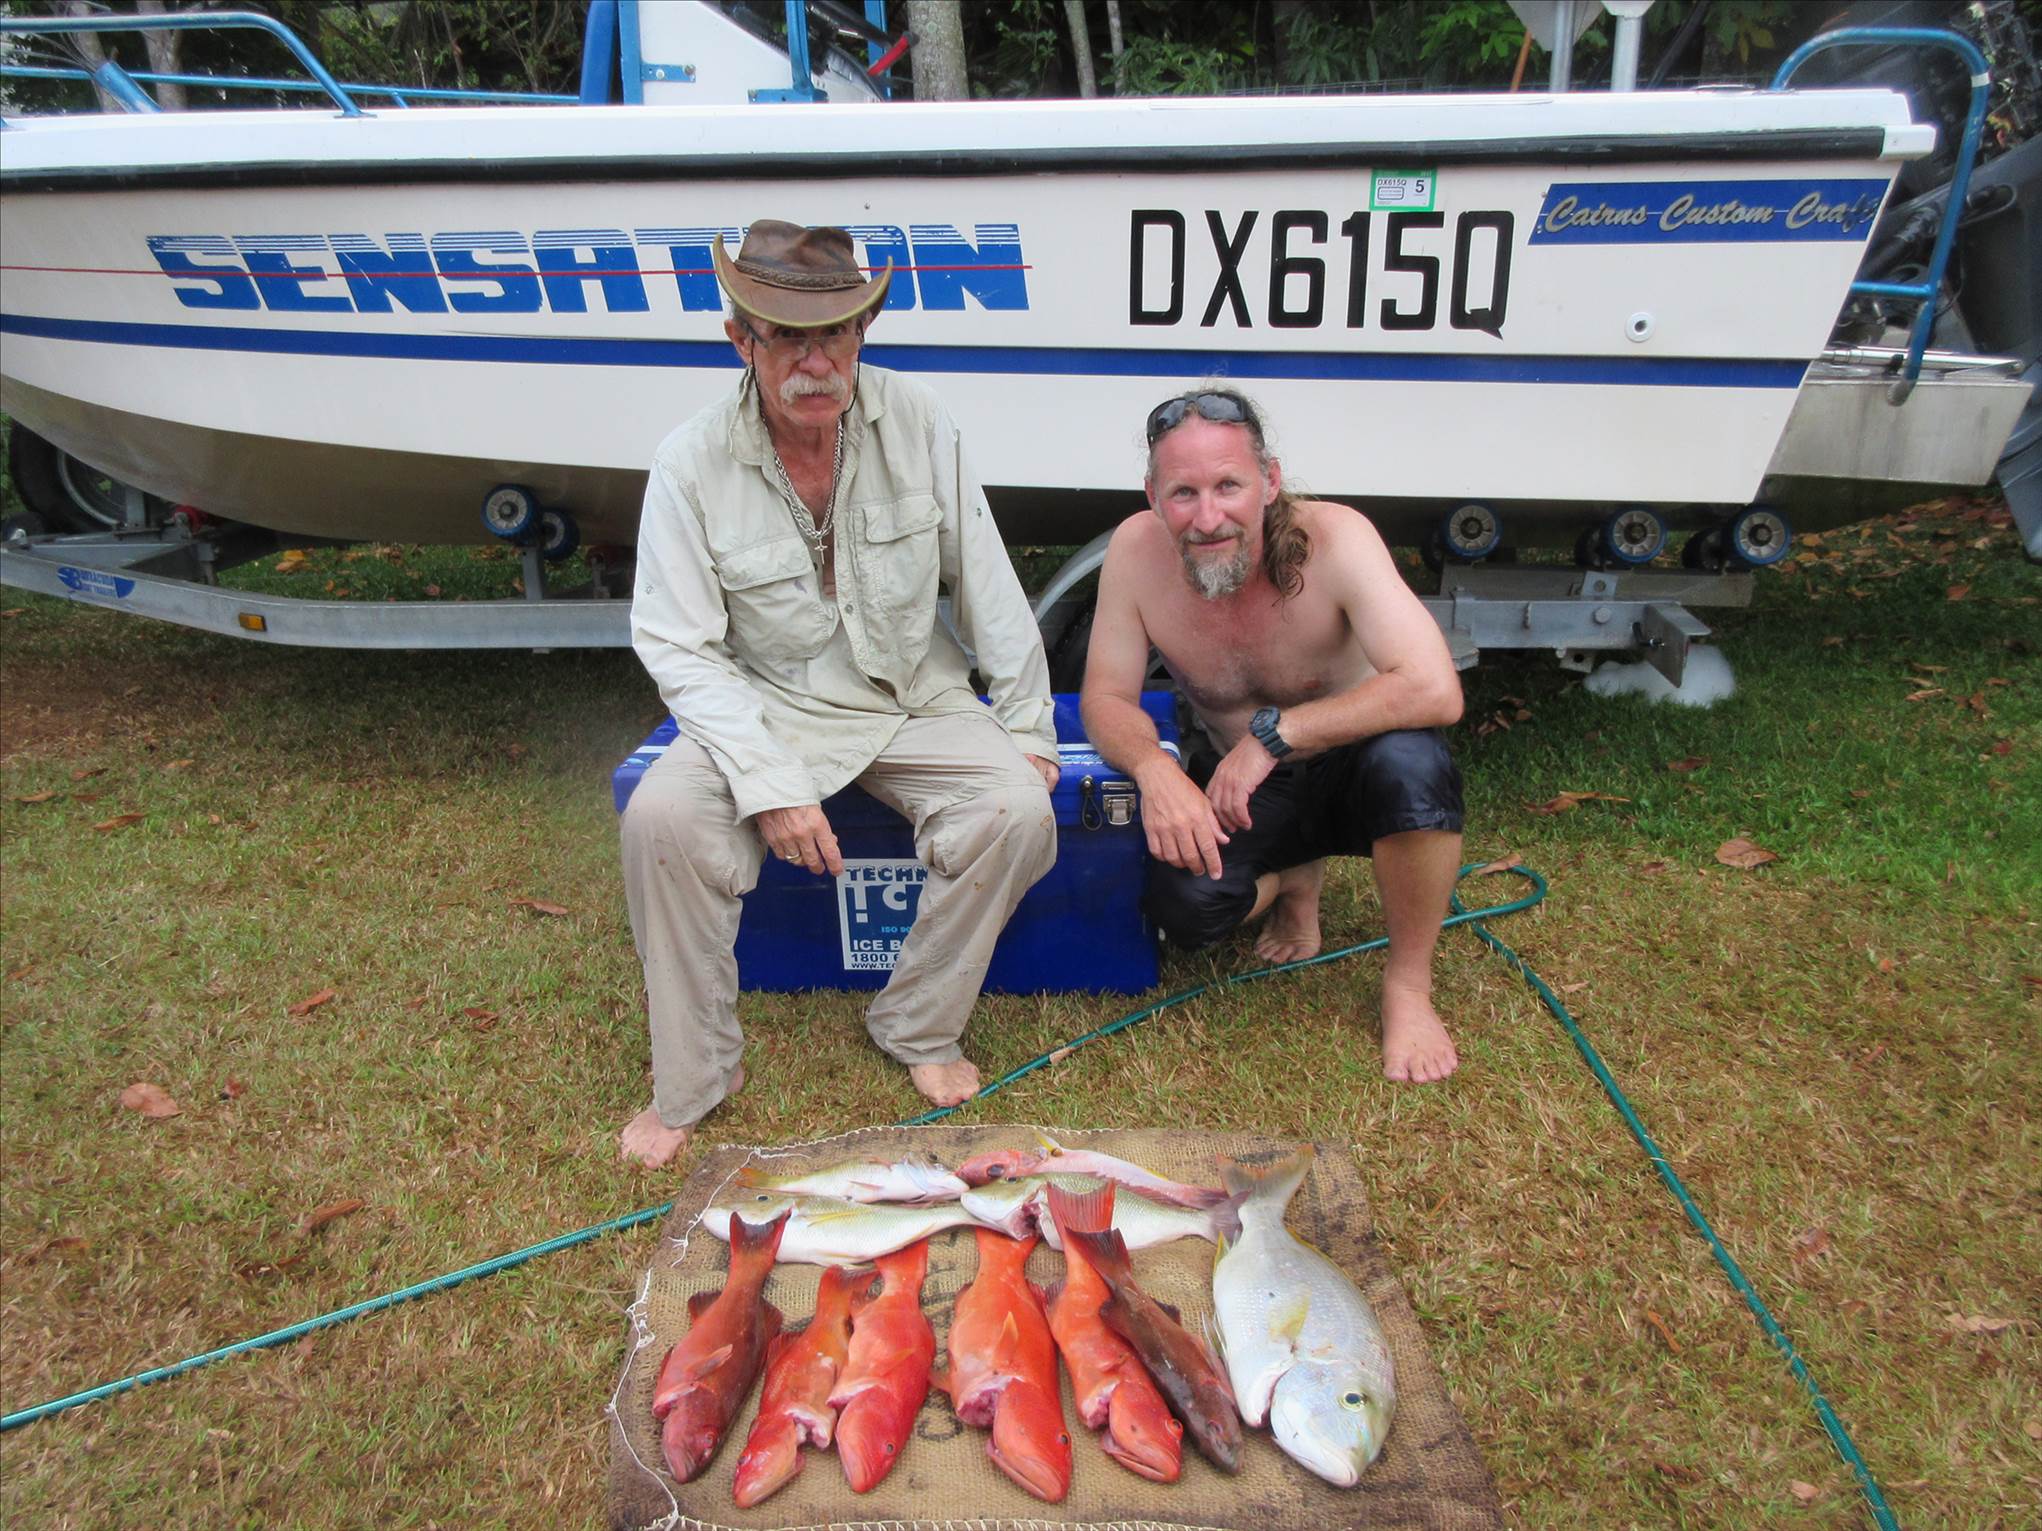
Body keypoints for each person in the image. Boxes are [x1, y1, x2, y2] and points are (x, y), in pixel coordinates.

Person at [618, 220, 1061, 1168]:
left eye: (836, 334)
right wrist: (770, 782)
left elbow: (986, 582)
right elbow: (679, 647)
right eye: (788, 337)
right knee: (660, 817)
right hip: (765, 701)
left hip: (910, 693)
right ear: (741, 341)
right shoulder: (688, 460)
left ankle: (918, 1022)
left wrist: (1029, 725)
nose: (816, 361)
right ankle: (695, 1074)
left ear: (862, 333)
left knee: (1020, 807)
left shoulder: (920, 418)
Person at [1080, 389, 1466, 1083]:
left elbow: (1435, 687)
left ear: (1270, 481)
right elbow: (1105, 697)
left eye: (1228, 486)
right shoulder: (1134, 554)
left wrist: (1275, 735)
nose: (1208, 517)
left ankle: (1408, 986)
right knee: (1184, 911)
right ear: (1153, 496)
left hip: (1355, 767)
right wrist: (1155, 770)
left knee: (1414, 765)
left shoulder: (1338, 538)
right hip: (1250, 793)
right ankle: (1292, 878)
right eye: (1184, 493)